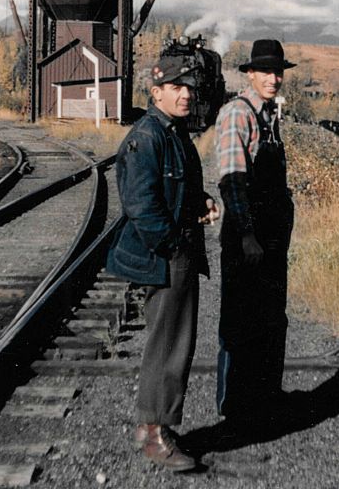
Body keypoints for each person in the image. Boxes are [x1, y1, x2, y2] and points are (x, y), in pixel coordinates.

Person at [106, 55, 219, 472]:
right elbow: (141, 205)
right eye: (176, 87)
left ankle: (153, 426)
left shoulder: (174, 134)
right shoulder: (148, 137)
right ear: (156, 93)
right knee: (169, 347)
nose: (186, 93)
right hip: (167, 258)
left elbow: (176, 193)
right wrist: (173, 248)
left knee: (173, 344)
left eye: (189, 87)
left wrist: (200, 203)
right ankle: (155, 434)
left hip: (177, 252)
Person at [214, 38, 296, 422]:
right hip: (248, 238)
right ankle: (234, 409)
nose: (273, 78)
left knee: (270, 318)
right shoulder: (238, 114)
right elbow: (232, 181)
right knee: (240, 321)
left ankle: (265, 398)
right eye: (265, 71)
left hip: (271, 239)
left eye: (278, 71)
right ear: (250, 74)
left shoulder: (269, 118)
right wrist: (247, 234)